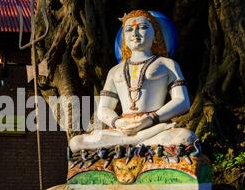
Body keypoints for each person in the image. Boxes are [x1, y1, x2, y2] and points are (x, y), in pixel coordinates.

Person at [68, 9, 195, 153]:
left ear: (156, 34)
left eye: (142, 27)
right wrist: (118, 122)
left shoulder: (167, 64)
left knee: (186, 137)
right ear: (123, 37)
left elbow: (182, 101)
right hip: (123, 129)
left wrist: (151, 118)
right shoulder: (114, 71)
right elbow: (103, 109)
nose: (134, 34)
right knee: (76, 142)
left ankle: (131, 143)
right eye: (128, 30)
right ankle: (135, 141)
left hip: (154, 127)